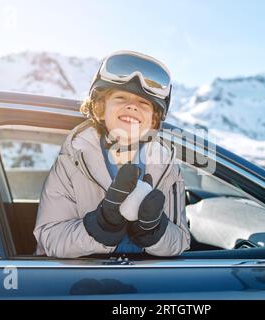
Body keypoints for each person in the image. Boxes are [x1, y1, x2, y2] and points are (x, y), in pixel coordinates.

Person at [33, 50, 191, 258]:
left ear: (153, 119)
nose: (132, 106)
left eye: (144, 103)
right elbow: (50, 238)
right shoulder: (72, 160)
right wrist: (100, 227)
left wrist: (155, 231)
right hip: (84, 282)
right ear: (99, 109)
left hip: (147, 284)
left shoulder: (167, 168)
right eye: (120, 98)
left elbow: (180, 241)